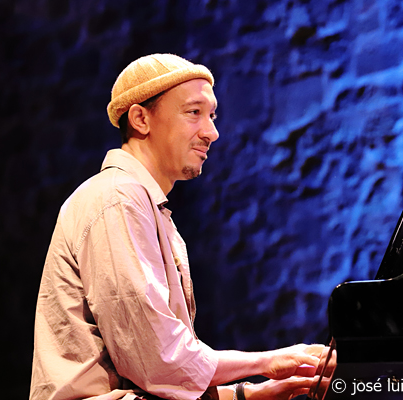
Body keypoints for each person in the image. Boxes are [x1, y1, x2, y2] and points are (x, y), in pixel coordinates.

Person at [30, 54, 323, 400]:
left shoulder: (143, 205)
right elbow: (159, 360)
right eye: (193, 112)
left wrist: (251, 394)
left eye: (212, 115)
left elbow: (162, 378)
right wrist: (269, 361)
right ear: (141, 119)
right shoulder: (117, 199)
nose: (212, 132)